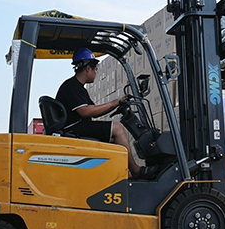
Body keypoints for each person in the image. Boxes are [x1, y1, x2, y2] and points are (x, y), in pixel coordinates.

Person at [55, 48, 158, 180]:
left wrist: (117, 103)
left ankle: (121, 175)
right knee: (117, 128)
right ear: (88, 68)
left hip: (77, 126)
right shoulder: (72, 86)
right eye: (96, 69)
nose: (96, 73)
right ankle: (135, 170)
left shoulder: (78, 88)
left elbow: (94, 111)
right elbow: (86, 111)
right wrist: (113, 103)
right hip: (75, 128)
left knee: (113, 136)